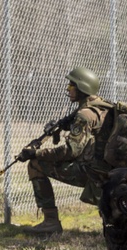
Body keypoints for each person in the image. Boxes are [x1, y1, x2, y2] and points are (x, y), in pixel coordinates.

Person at [18, 67, 114, 235]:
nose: (68, 89)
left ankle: (50, 222)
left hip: (92, 173)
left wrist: (36, 153)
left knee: (35, 164)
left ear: (82, 88)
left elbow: (71, 151)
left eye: (72, 85)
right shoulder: (103, 107)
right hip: (113, 172)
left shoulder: (84, 114)